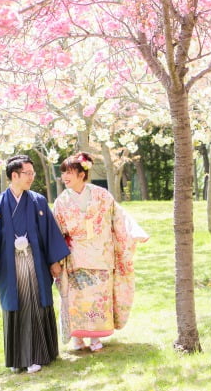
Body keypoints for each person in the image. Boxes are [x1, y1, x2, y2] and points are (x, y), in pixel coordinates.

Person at [0, 155, 70, 373]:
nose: (31, 177)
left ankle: (40, 354)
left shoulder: (38, 201)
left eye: (32, 173)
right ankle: (19, 358)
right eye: (28, 173)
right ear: (14, 175)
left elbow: (49, 234)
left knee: (36, 303)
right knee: (17, 305)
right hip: (9, 264)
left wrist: (54, 261)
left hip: (34, 262)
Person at [52, 151, 145, 352]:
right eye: (63, 173)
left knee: (98, 297)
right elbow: (56, 231)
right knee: (77, 298)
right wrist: (56, 259)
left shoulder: (102, 196)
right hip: (75, 257)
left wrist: (134, 232)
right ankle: (78, 337)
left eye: (69, 172)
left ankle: (96, 338)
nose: (64, 177)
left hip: (101, 255)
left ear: (81, 174)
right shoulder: (61, 202)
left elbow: (119, 217)